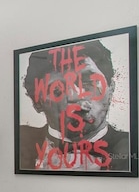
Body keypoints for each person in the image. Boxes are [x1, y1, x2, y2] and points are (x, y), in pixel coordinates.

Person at [19, 39, 131, 172]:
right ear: (36, 102)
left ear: (111, 89)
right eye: (57, 90)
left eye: (89, 83)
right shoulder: (20, 143)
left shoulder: (132, 145)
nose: (76, 97)